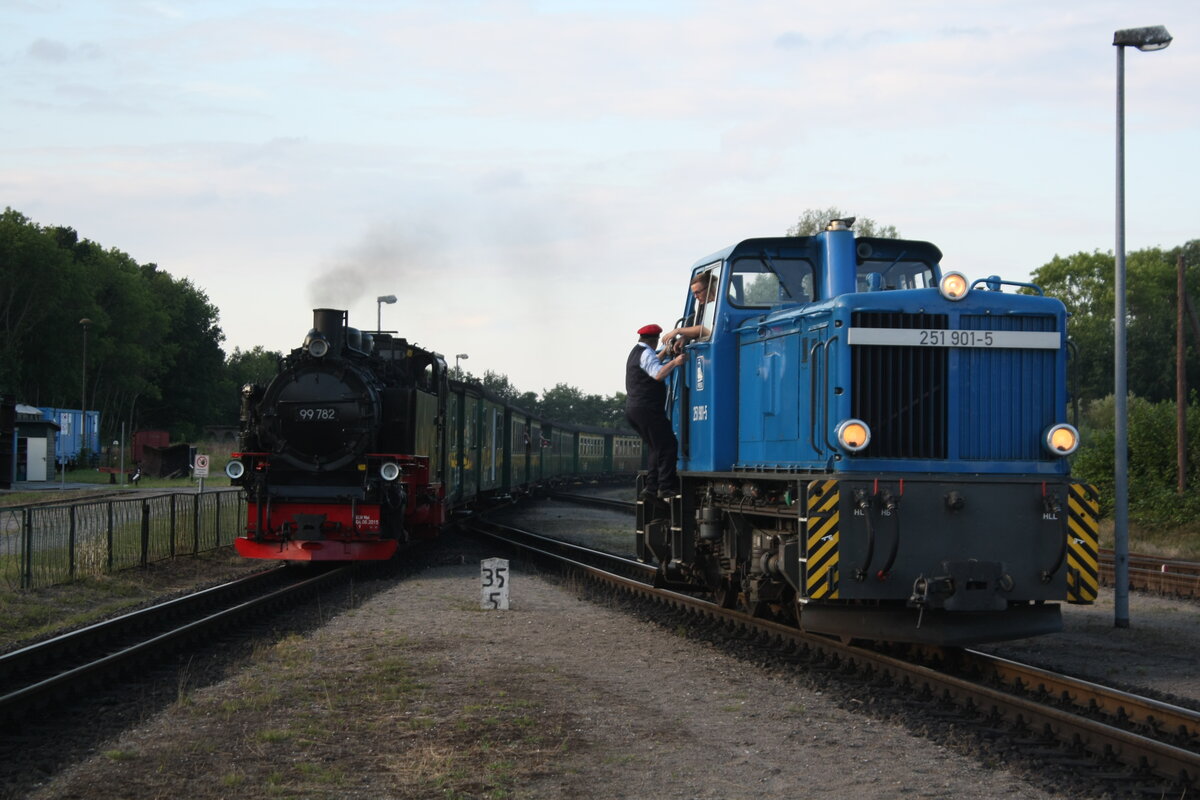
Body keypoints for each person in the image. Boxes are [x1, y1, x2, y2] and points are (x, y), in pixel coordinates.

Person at [626, 323, 686, 501]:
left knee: (655, 447)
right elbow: (658, 374)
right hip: (647, 409)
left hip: (634, 410)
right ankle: (666, 488)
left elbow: (651, 362)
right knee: (668, 446)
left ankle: (651, 489)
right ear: (654, 341)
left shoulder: (637, 352)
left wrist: (664, 354)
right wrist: (675, 362)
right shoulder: (646, 353)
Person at [660, 270, 718, 350]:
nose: (695, 296)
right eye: (694, 293)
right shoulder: (704, 308)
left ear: (709, 288)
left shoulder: (719, 306)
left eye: (698, 292)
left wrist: (678, 330)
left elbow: (710, 332)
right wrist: (686, 337)